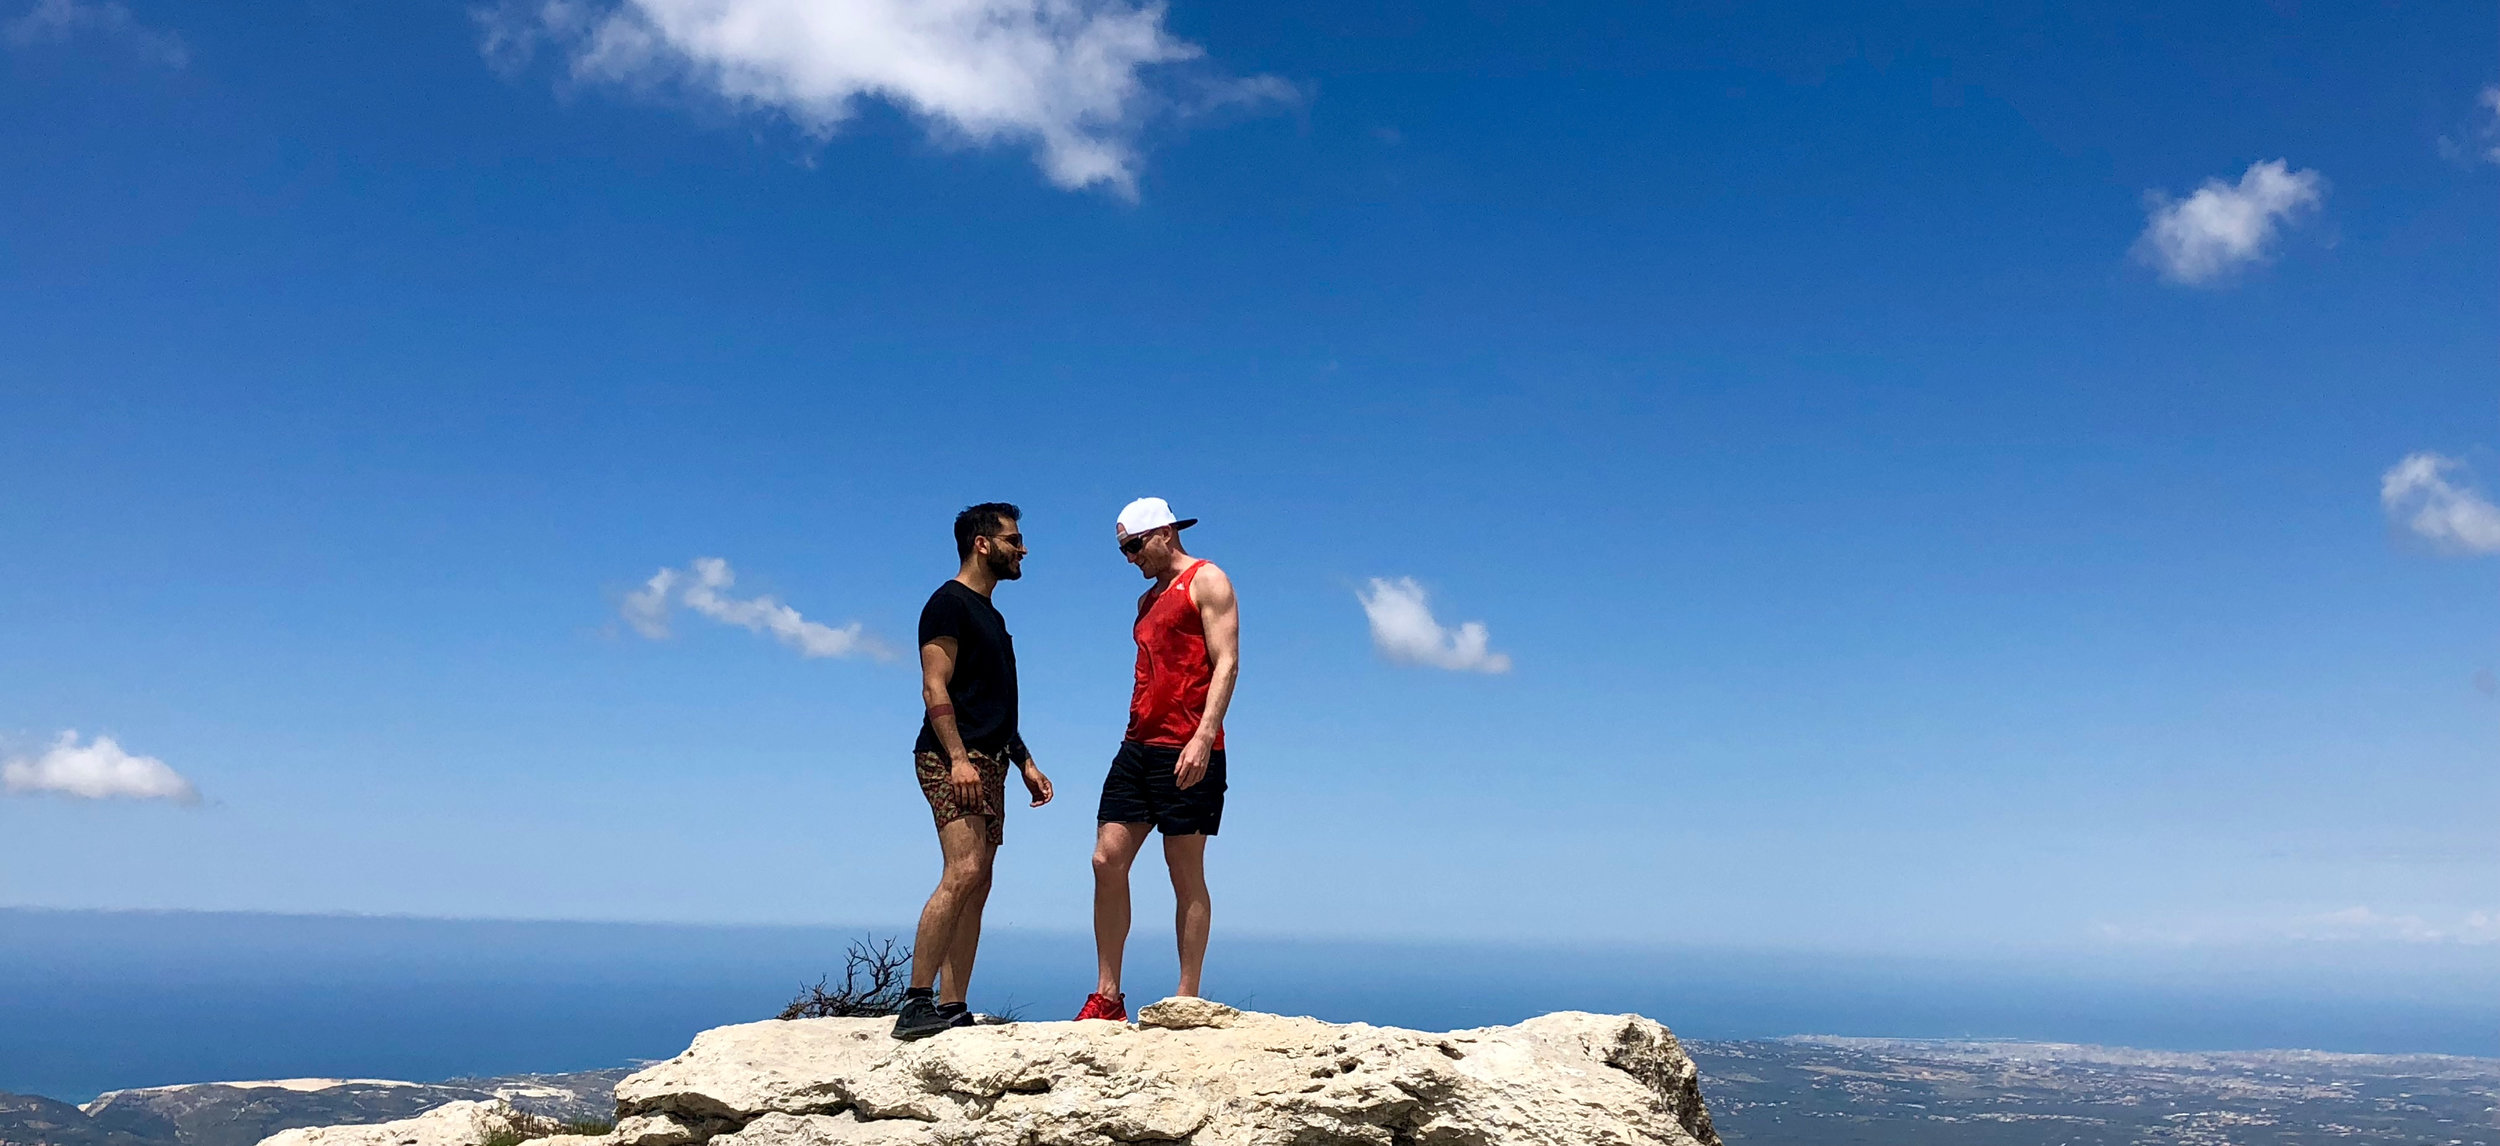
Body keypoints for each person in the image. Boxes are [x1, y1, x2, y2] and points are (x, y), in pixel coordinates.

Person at [892, 502, 1054, 1041]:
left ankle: (952, 1003)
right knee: (962, 870)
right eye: (1013, 539)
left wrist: (1024, 761)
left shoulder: (992, 615)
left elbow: (993, 702)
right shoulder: (948, 604)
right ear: (983, 544)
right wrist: (958, 758)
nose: (1022, 548)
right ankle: (916, 1002)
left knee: (979, 880)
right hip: (950, 757)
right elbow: (934, 687)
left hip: (990, 758)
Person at [1074, 497, 1240, 1022]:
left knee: (1183, 869)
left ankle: (1187, 998)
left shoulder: (1208, 580)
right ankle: (1108, 995)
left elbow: (1227, 661)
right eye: (1122, 548)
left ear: (1164, 534)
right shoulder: (1147, 601)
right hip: (1138, 744)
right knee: (1106, 859)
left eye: (1133, 545)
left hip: (1189, 745)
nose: (1128, 557)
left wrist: (1203, 735)